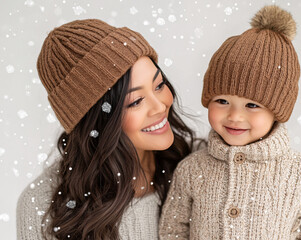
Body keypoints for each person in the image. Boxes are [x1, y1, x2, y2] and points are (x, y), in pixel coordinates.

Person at [159, 5, 301, 240]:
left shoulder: (299, 172)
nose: (235, 116)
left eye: (252, 105)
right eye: (222, 100)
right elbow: (172, 229)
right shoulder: (192, 169)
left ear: (277, 111)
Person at [17, 19, 196, 240]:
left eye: (159, 85)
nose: (160, 106)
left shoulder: (197, 168)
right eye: (136, 101)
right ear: (98, 121)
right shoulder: (42, 206)